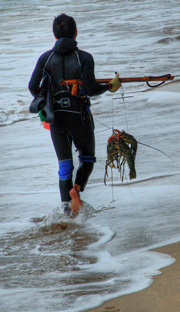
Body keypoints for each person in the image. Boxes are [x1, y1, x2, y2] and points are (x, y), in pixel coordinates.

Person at [29, 14, 121, 217]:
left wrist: (47, 100)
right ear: (76, 33)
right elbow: (90, 89)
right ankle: (76, 189)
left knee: (64, 166)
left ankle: (66, 210)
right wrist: (109, 86)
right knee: (87, 159)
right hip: (80, 118)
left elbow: (32, 87)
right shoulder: (84, 58)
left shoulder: (45, 59)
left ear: (54, 35)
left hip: (56, 120)